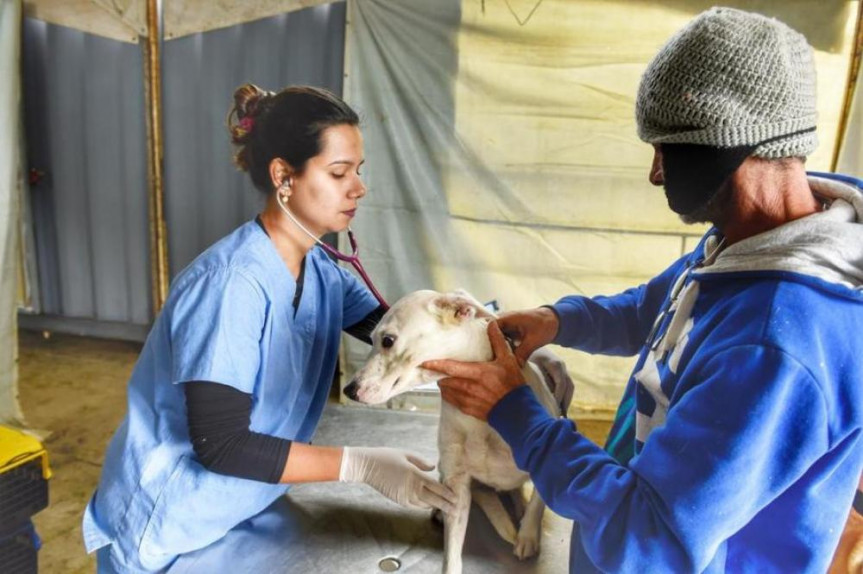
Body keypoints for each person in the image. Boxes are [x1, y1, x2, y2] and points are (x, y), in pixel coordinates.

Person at [423, 7, 863, 573]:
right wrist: (558, 320)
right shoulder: (746, 243)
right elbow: (661, 307)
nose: (656, 173)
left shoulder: (775, 347)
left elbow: (648, 539)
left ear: (735, 142)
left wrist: (516, 413)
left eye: (668, 149)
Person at [82, 84, 455, 572]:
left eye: (358, 172)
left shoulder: (323, 273)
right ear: (284, 176)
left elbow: (399, 337)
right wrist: (359, 465)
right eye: (339, 172)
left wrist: (490, 343)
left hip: (242, 507)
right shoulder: (231, 284)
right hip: (170, 527)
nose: (358, 188)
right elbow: (223, 444)